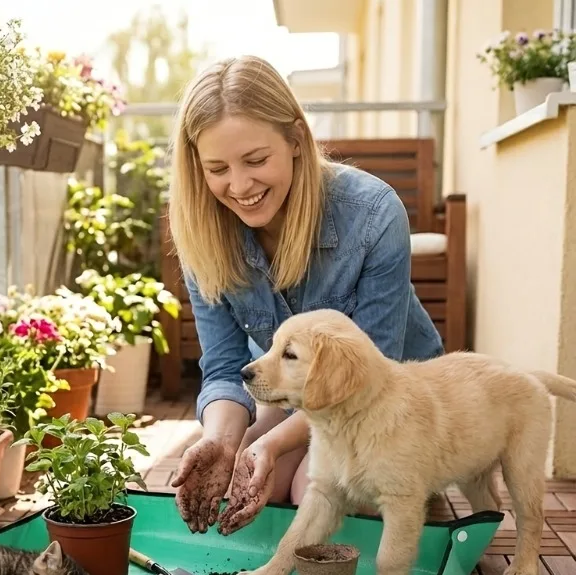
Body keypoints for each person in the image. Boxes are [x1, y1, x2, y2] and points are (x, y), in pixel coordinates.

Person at [166, 54, 445, 536]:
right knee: (244, 479)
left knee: (314, 493)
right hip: (293, 387)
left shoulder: (374, 214)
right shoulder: (203, 235)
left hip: (389, 396)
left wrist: (273, 444)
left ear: (296, 139)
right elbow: (224, 367)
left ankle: (414, 488)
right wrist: (223, 441)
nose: (239, 186)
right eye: (217, 168)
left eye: (256, 160)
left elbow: (372, 373)